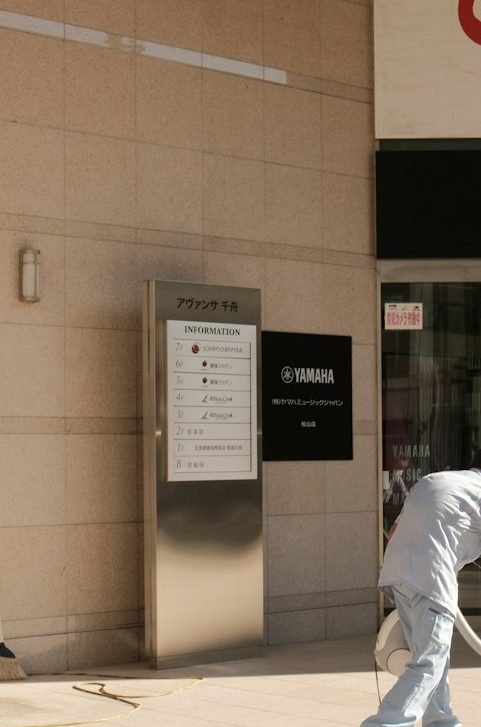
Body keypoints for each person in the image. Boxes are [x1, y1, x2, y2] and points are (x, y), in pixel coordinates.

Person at [361, 450, 481, 727]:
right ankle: (386, 723)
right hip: (432, 577)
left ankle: (441, 721)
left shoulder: (434, 480)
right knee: (429, 662)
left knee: (432, 656)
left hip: (398, 572)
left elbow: (394, 531)